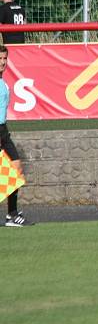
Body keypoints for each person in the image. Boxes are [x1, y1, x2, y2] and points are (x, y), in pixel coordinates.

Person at [0, 45, 33, 226]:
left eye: (5, 59)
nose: (3, 62)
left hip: (3, 131)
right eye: (0, 59)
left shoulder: (4, 83)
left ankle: (11, 214)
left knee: (16, 170)